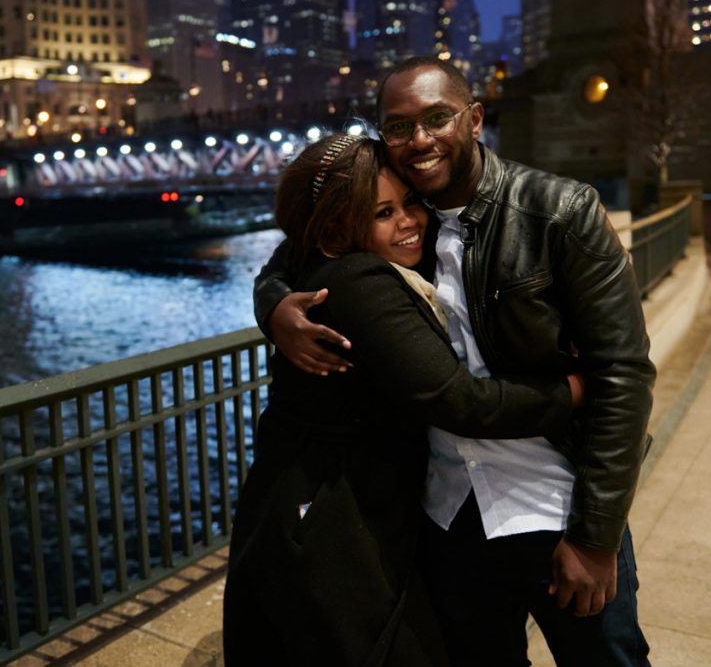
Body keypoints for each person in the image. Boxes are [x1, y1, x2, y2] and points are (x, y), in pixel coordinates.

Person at [253, 57, 655, 666]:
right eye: (398, 126)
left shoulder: (559, 212)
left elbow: (623, 376)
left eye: (437, 118)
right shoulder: (393, 219)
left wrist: (596, 536)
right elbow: (306, 242)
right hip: (449, 513)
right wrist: (275, 303)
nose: (419, 140)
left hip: (552, 502)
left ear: (473, 119)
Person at [224, 134, 585, 666]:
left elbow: (283, 258)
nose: (409, 220)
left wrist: (272, 300)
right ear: (334, 228)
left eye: (410, 202)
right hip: (337, 516)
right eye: (383, 213)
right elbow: (460, 401)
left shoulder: (340, 261)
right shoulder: (359, 280)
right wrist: (576, 390)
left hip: (322, 503)